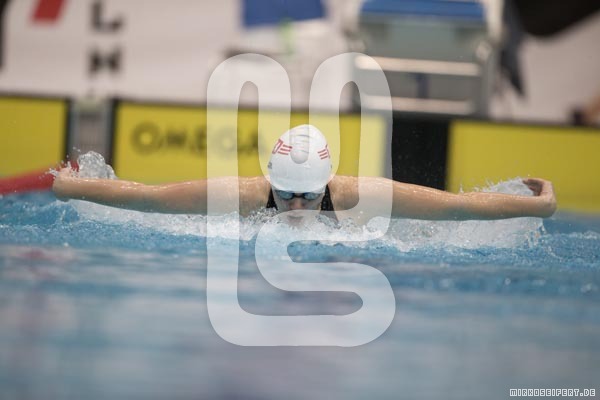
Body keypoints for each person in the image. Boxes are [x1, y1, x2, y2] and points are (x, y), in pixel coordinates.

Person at [52, 125, 557, 224]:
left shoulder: (359, 195)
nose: (296, 207)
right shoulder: (245, 196)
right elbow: (151, 198)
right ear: (270, 183)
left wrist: (540, 206)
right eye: (286, 194)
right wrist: (70, 185)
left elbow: (457, 206)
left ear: (328, 185)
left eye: (309, 197)